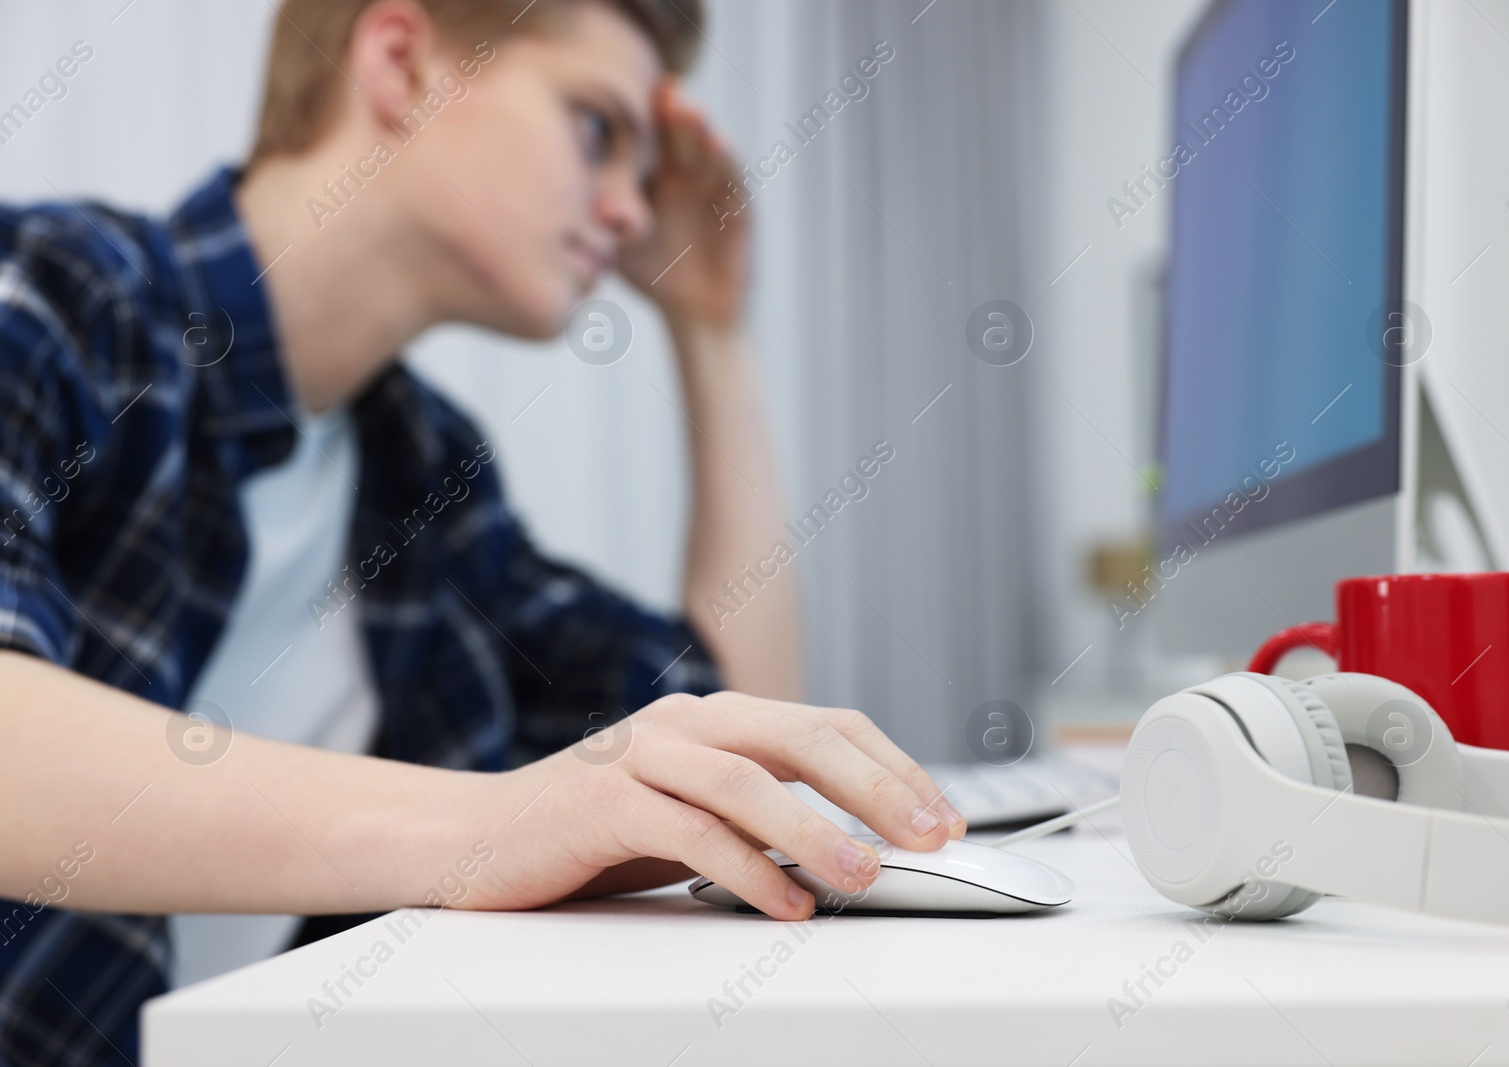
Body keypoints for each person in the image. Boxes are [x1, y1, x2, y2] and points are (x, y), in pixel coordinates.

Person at [0, 1, 966, 1062]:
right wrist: (487, 826)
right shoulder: (57, 293)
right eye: (597, 128)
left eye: (644, 175)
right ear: (402, 60)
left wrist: (711, 329)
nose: (625, 211)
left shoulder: (421, 469)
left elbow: (737, 735)